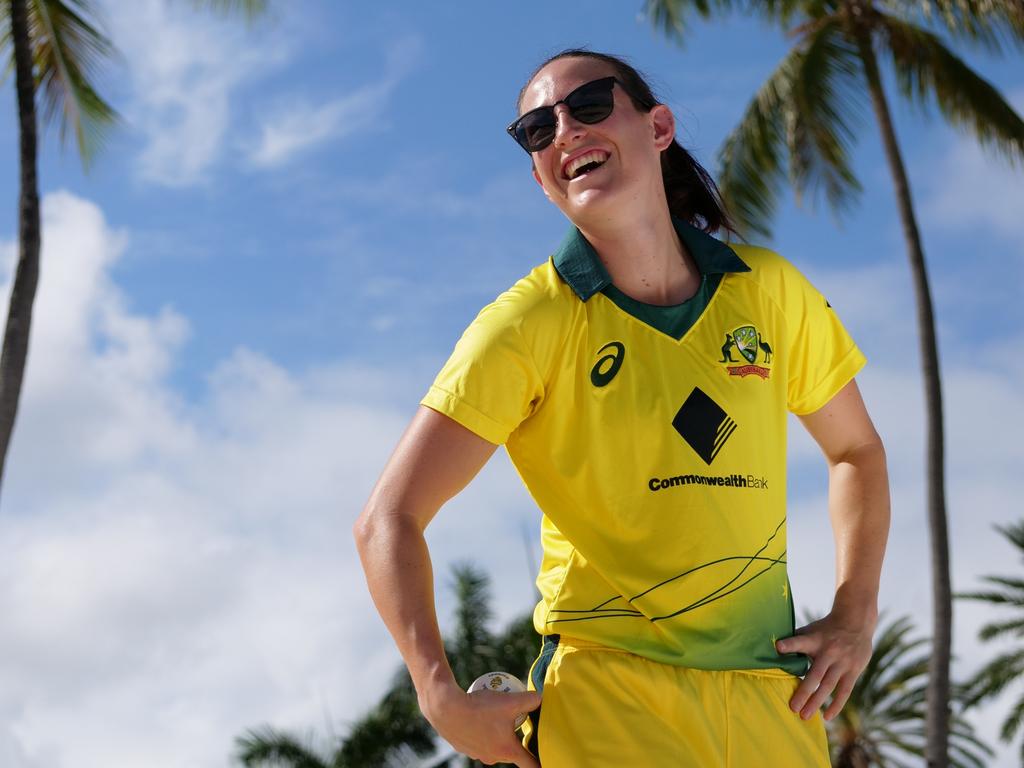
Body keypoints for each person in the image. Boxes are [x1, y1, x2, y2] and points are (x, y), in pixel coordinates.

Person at [354, 48, 890, 768]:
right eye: (537, 130)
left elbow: (856, 452)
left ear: (659, 126)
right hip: (607, 697)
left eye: (591, 104)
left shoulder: (770, 292)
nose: (565, 130)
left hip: (775, 700)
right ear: (541, 178)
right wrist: (438, 692)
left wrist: (856, 612)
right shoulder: (528, 324)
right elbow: (387, 519)